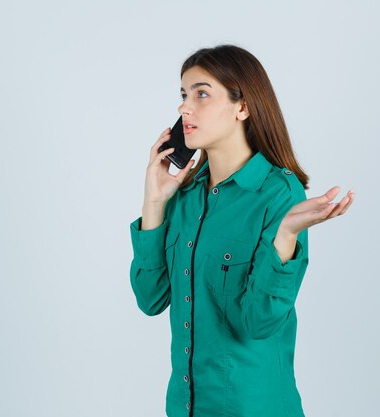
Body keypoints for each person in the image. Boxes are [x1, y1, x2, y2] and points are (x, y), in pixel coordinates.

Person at [128, 44, 354, 417]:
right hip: (186, 408)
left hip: (253, 407)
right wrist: (154, 202)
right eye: (183, 95)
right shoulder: (186, 194)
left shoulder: (278, 193)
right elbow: (150, 299)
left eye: (202, 94)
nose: (185, 107)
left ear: (243, 107)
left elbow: (259, 322)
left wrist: (286, 235)